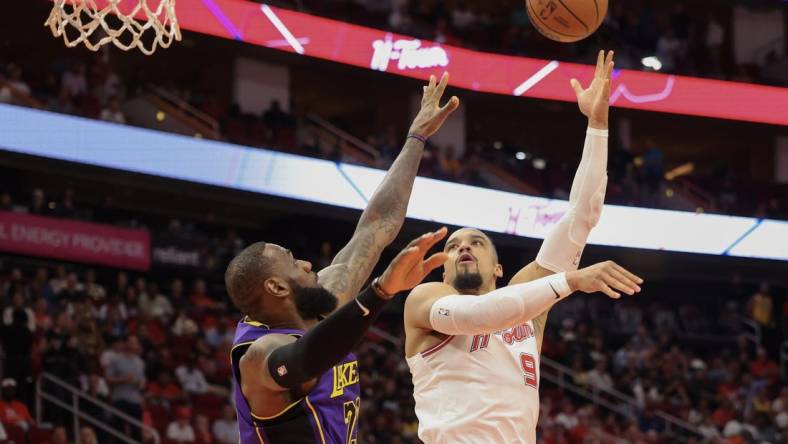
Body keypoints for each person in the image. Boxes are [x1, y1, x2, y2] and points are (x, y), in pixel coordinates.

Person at [403, 51, 644, 443]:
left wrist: (598, 125)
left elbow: (582, 215)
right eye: (455, 245)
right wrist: (569, 281)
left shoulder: (526, 310)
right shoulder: (425, 299)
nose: (464, 248)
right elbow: (481, 315)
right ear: (443, 268)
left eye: (477, 242)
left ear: (499, 269)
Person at [227, 73, 458, 443]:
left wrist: (416, 138)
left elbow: (376, 225)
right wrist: (380, 292)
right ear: (275, 285)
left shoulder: (322, 301)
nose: (308, 264)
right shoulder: (259, 355)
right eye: (294, 261)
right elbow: (306, 357)